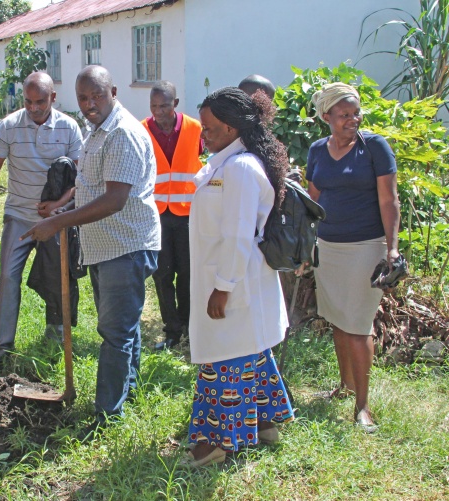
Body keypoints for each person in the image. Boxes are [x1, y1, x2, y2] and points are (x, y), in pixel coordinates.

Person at [22, 65, 161, 428]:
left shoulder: (122, 134)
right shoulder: (97, 131)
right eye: (82, 98)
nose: (89, 104)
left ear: (113, 90)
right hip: (104, 245)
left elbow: (114, 200)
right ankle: (127, 392)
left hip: (126, 244)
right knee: (121, 327)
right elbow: (93, 188)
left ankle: (107, 414)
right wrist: (64, 208)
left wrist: (58, 222)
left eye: (96, 96)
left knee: (114, 331)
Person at [184, 87, 294, 467]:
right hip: (227, 276)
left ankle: (215, 443)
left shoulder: (242, 169)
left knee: (224, 360)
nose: (204, 134)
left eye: (211, 128)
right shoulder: (221, 164)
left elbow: (238, 234)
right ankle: (263, 423)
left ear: (232, 129)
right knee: (249, 351)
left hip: (234, 281)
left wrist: (223, 287)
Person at [307, 83, 400, 432]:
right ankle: (345, 386)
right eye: (344, 114)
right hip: (329, 248)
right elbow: (312, 199)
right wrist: (306, 242)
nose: (353, 119)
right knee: (337, 318)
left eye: (356, 113)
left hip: (366, 247)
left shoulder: (374, 147)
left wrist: (391, 248)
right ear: (327, 116)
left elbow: (389, 200)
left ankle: (363, 406)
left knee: (359, 325)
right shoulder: (318, 150)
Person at [0, 71, 83, 369]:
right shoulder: (10, 126)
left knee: (57, 278)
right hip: (19, 217)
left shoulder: (69, 128)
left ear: (53, 97)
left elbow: (81, 177)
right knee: (8, 276)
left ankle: (57, 335)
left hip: (56, 220)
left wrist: (59, 205)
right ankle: (1, 347)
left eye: (40, 101)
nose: (34, 108)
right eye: (28, 101)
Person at [141, 81, 203, 350]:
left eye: (164, 106)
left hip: (188, 214)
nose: (158, 112)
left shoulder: (195, 129)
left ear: (175, 104)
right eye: (154, 106)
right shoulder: (142, 130)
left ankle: (189, 326)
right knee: (162, 274)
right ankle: (172, 331)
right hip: (156, 215)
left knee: (188, 274)